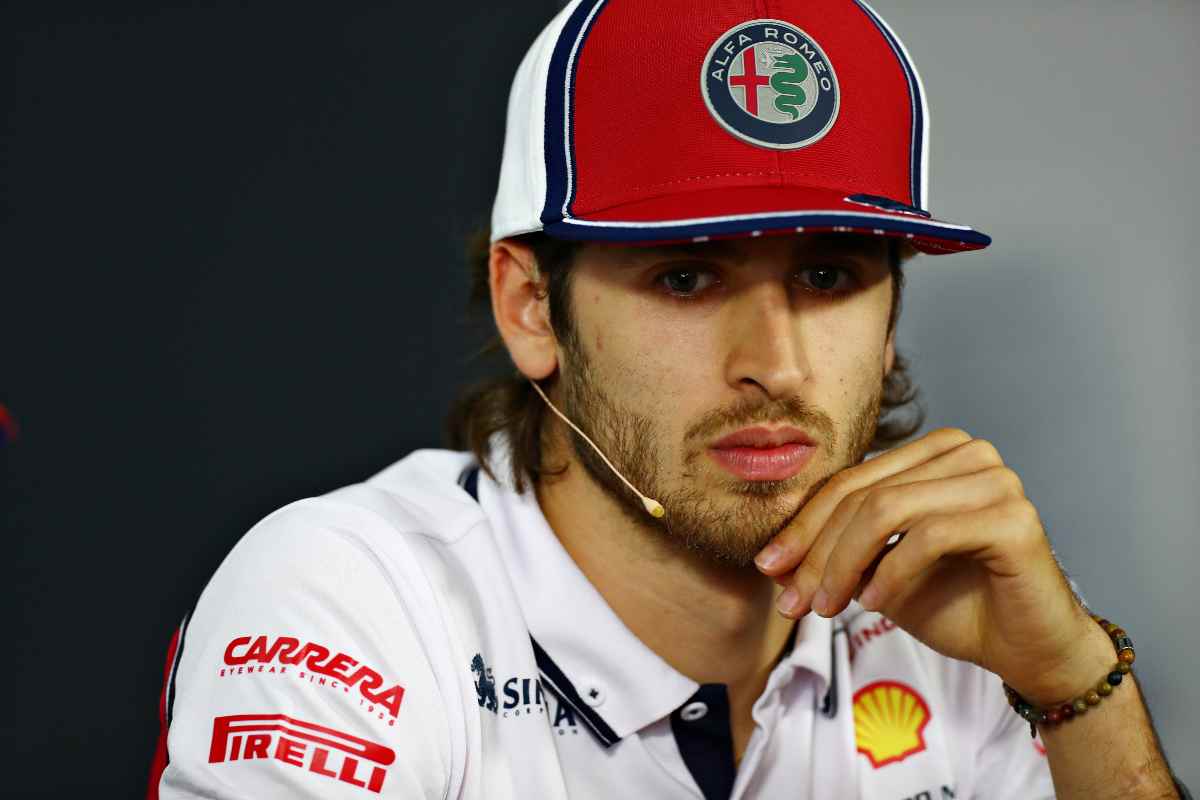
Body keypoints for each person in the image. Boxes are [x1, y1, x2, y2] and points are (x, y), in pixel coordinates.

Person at [147, 1, 1188, 798]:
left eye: (828, 275)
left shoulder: (963, 614)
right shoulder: (347, 602)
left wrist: (1072, 675)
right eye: (687, 276)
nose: (775, 363)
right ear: (531, 308)